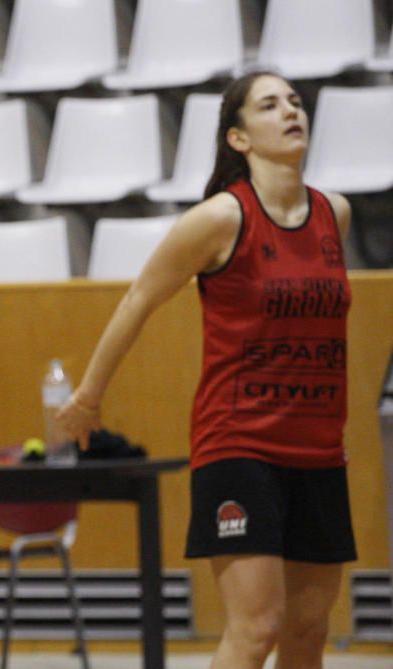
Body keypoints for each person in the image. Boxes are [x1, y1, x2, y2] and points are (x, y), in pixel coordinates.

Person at [57, 70, 355, 669]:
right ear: (239, 138)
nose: (291, 111)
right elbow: (139, 298)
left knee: (309, 629)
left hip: (320, 448)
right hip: (239, 443)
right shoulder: (221, 219)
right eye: (270, 106)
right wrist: (88, 397)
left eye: (295, 102)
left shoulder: (335, 214)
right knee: (257, 628)